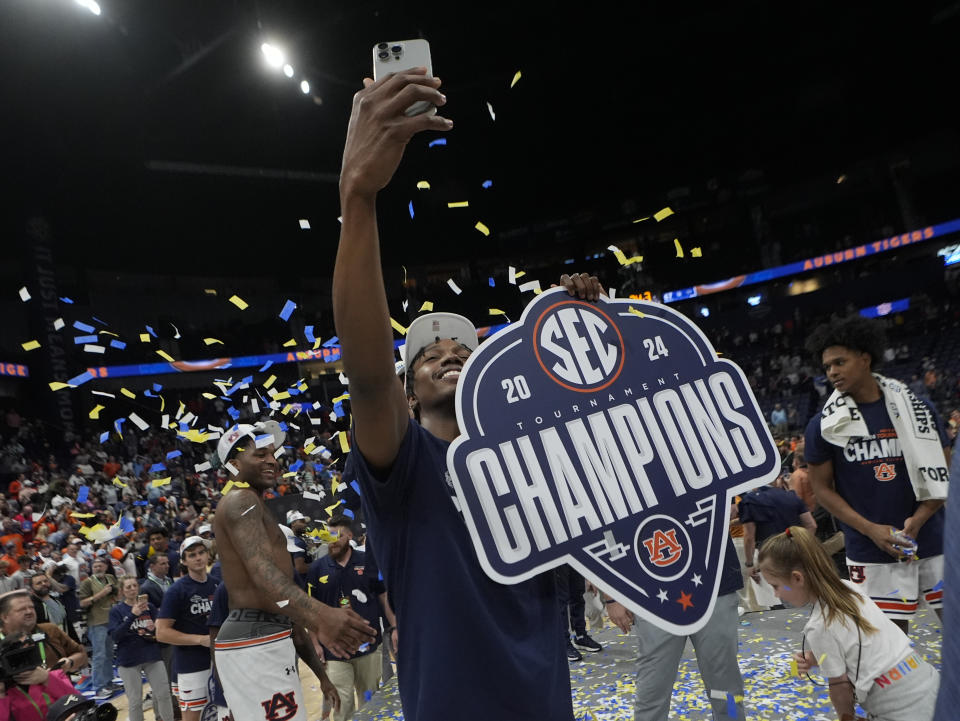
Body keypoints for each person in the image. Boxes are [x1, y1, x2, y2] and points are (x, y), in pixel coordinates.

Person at [332, 67, 578, 720]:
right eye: (429, 357)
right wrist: (357, 199)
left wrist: (596, 337)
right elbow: (366, 374)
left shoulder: (532, 458)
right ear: (408, 392)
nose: (447, 357)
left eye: (462, 352)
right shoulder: (405, 463)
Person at [212, 422, 374, 721]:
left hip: (268, 634)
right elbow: (264, 576)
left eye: (272, 453)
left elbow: (282, 601)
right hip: (254, 639)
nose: (272, 460)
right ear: (234, 465)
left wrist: (320, 676)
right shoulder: (240, 500)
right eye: (259, 454)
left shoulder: (256, 507)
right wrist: (322, 615)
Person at [804, 316, 950, 633]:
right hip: (870, 549)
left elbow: (944, 473)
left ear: (865, 358)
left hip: (933, 537)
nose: (832, 372)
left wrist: (920, 518)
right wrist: (871, 530)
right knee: (889, 644)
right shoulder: (823, 425)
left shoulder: (919, 409)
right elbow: (822, 489)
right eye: (827, 366)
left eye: (840, 362)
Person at [759, 526, 940, 721]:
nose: (776, 594)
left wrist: (847, 718)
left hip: (903, 709)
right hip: (930, 685)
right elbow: (857, 641)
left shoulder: (819, 625)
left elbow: (840, 687)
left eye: (775, 586)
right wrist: (816, 657)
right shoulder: (849, 587)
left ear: (797, 578)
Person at [605, 542, 747, 720]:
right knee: (653, 688)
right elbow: (605, 529)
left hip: (713, 578)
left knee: (725, 686)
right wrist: (610, 594)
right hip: (652, 591)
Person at [306, 514, 394, 721]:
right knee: (342, 707)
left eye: (337, 536)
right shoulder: (317, 569)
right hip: (334, 651)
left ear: (350, 536)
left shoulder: (368, 562)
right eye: (328, 537)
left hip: (368, 646)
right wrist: (315, 644)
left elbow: (383, 595)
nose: (332, 541)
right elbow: (309, 611)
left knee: (369, 704)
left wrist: (395, 626)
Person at [156, 536, 218, 721]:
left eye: (201, 553)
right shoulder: (177, 590)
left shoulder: (218, 584)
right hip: (191, 664)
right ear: (184, 561)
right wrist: (199, 639)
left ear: (208, 555)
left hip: (219, 661)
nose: (198, 558)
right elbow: (161, 632)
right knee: (193, 717)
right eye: (192, 555)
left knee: (223, 712)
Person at [740, 481, 817, 607]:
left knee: (779, 597)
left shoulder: (750, 501)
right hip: (797, 554)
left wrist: (749, 564)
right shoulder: (791, 496)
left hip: (769, 556)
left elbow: (749, 537)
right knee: (801, 593)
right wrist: (802, 546)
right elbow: (811, 525)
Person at [108, 577, 175, 721]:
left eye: (134, 585)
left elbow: (159, 629)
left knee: (163, 694)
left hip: (152, 655)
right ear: (122, 591)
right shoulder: (117, 610)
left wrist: (153, 630)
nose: (132, 589)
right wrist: (133, 615)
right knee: (135, 701)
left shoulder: (149, 607)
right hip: (128, 660)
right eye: (128, 587)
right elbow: (116, 636)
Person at [0, 589, 87, 677]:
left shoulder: (50, 629)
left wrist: (70, 662)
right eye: (21, 609)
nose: (29, 612)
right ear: (5, 617)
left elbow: (81, 654)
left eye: (31, 607)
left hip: (58, 687)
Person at [0, 631, 80, 721]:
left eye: (29, 652)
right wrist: (1, 693)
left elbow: (78, 701)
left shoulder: (55, 675)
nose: (25, 658)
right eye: (19, 655)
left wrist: (47, 679)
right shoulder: (7, 689)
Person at [77, 555, 120, 700]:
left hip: (111, 620)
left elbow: (117, 593)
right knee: (99, 655)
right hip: (96, 622)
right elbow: (82, 603)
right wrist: (101, 594)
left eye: (100, 565)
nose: (98, 568)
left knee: (109, 654)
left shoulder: (110, 578)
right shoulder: (87, 583)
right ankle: (98, 686)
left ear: (106, 566)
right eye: (95, 566)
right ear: (91, 569)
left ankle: (108, 682)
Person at [556, 566, 602, 662]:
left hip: (572, 557)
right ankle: (564, 643)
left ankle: (580, 636)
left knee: (578, 594)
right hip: (555, 559)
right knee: (561, 600)